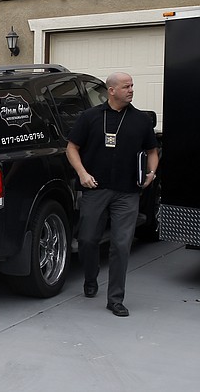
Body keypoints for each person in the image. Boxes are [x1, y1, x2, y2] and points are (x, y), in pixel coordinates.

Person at [66, 72, 158, 317]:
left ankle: (115, 299)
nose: (131, 90)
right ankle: (90, 277)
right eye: (126, 86)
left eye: (132, 86)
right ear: (112, 90)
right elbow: (71, 148)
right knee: (86, 240)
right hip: (95, 189)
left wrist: (151, 173)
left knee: (121, 245)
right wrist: (82, 173)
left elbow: (152, 151)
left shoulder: (140, 120)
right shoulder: (90, 117)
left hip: (127, 193)